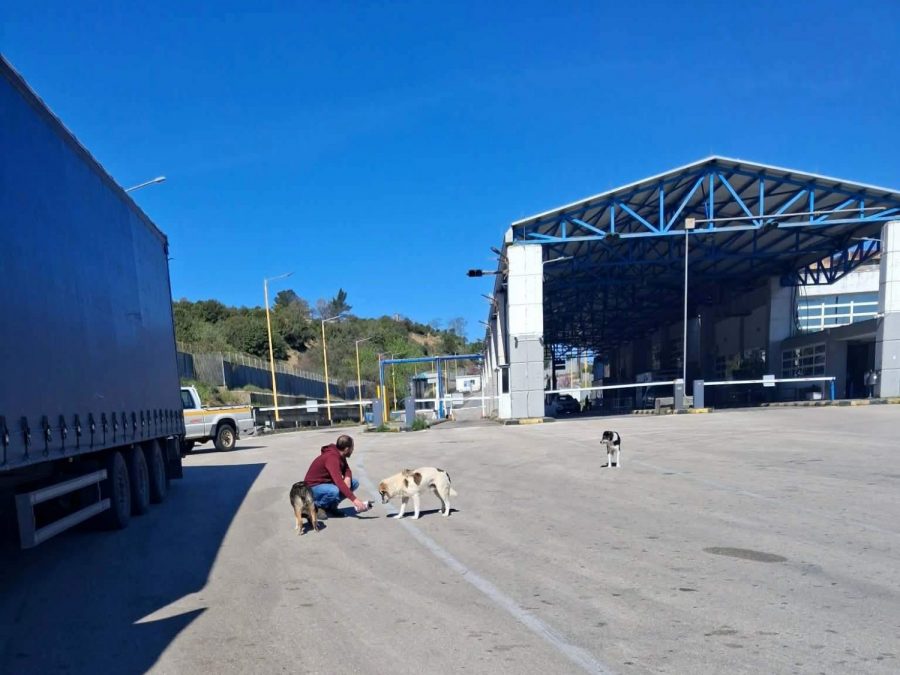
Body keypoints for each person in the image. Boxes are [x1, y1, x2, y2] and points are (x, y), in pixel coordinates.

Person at [304, 434, 370, 517]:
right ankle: (317, 507)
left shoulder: (340, 453)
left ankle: (331, 506)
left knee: (354, 483)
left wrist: (347, 477)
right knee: (333, 490)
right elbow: (338, 481)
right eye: (352, 448)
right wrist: (354, 500)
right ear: (346, 449)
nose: (353, 450)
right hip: (312, 487)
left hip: (325, 483)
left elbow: (346, 469)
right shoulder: (332, 458)